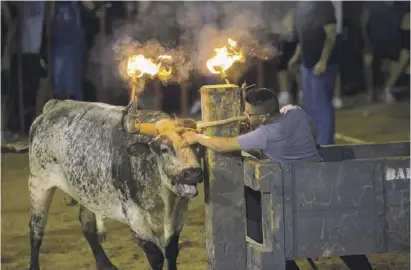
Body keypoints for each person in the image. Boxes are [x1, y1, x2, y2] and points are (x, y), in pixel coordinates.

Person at [183, 87, 373, 270]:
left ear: (264, 117)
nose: (245, 116)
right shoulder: (295, 111)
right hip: (322, 189)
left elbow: (224, 145)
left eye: (249, 114)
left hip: (294, 197)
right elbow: (313, 131)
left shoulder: (267, 133)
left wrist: (198, 138)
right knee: (340, 238)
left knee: (274, 244)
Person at [288, 1, 339, 146]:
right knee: (309, 107)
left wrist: (323, 61)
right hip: (307, 65)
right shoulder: (301, 7)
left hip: (322, 65)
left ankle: (326, 144)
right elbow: (302, 38)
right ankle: (314, 143)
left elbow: (331, 36)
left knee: (322, 107)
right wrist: (296, 57)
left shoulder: (324, 5)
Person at [361, 1, 410, 104]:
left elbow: (406, 25)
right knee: (368, 59)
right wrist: (368, 46)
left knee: (405, 56)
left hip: (393, 43)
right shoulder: (372, 4)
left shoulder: (403, 5)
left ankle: (387, 89)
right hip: (374, 43)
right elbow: (364, 24)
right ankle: (369, 92)